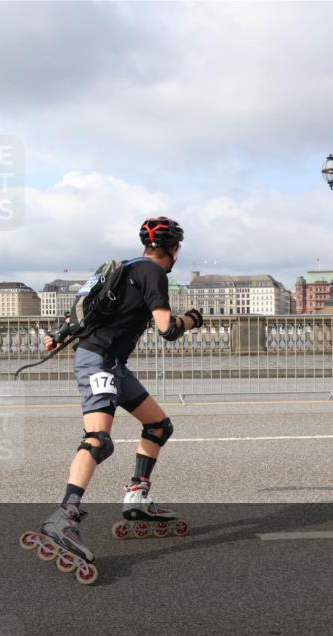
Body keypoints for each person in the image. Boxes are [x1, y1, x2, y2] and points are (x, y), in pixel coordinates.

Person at [38, 217, 203, 562]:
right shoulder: (153, 273)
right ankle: (64, 516)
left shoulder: (120, 267)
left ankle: (137, 496)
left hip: (110, 361)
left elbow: (82, 308)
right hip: (99, 360)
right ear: (173, 251)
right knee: (98, 440)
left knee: (159, 425)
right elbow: (167, 330)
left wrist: (59, 334)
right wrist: (192, 319)